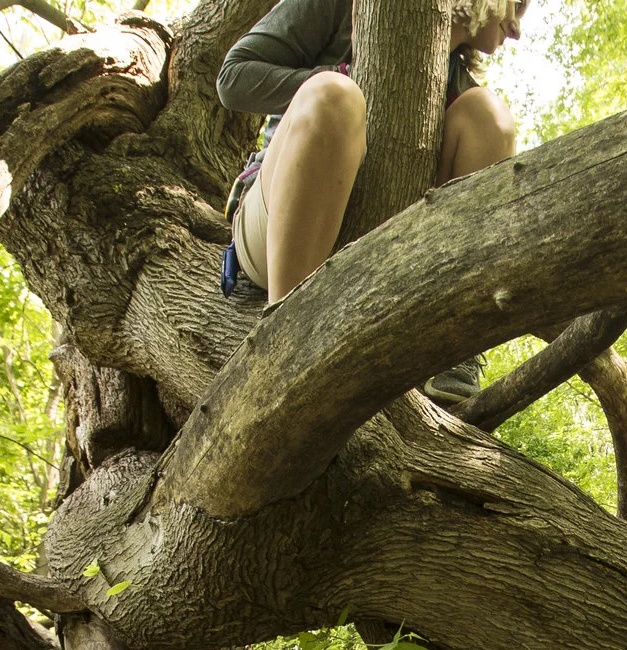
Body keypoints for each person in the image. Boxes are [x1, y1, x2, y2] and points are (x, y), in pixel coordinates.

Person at [217, 0, 527, 401]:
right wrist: (340, 77)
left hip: (379, 260)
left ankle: (450, 346)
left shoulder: (464, 93)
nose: (516, 29)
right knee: (335, 94)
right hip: (274, 225)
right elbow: (233, 77)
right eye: (519, 5)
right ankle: (285, 337)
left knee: (490, 115)